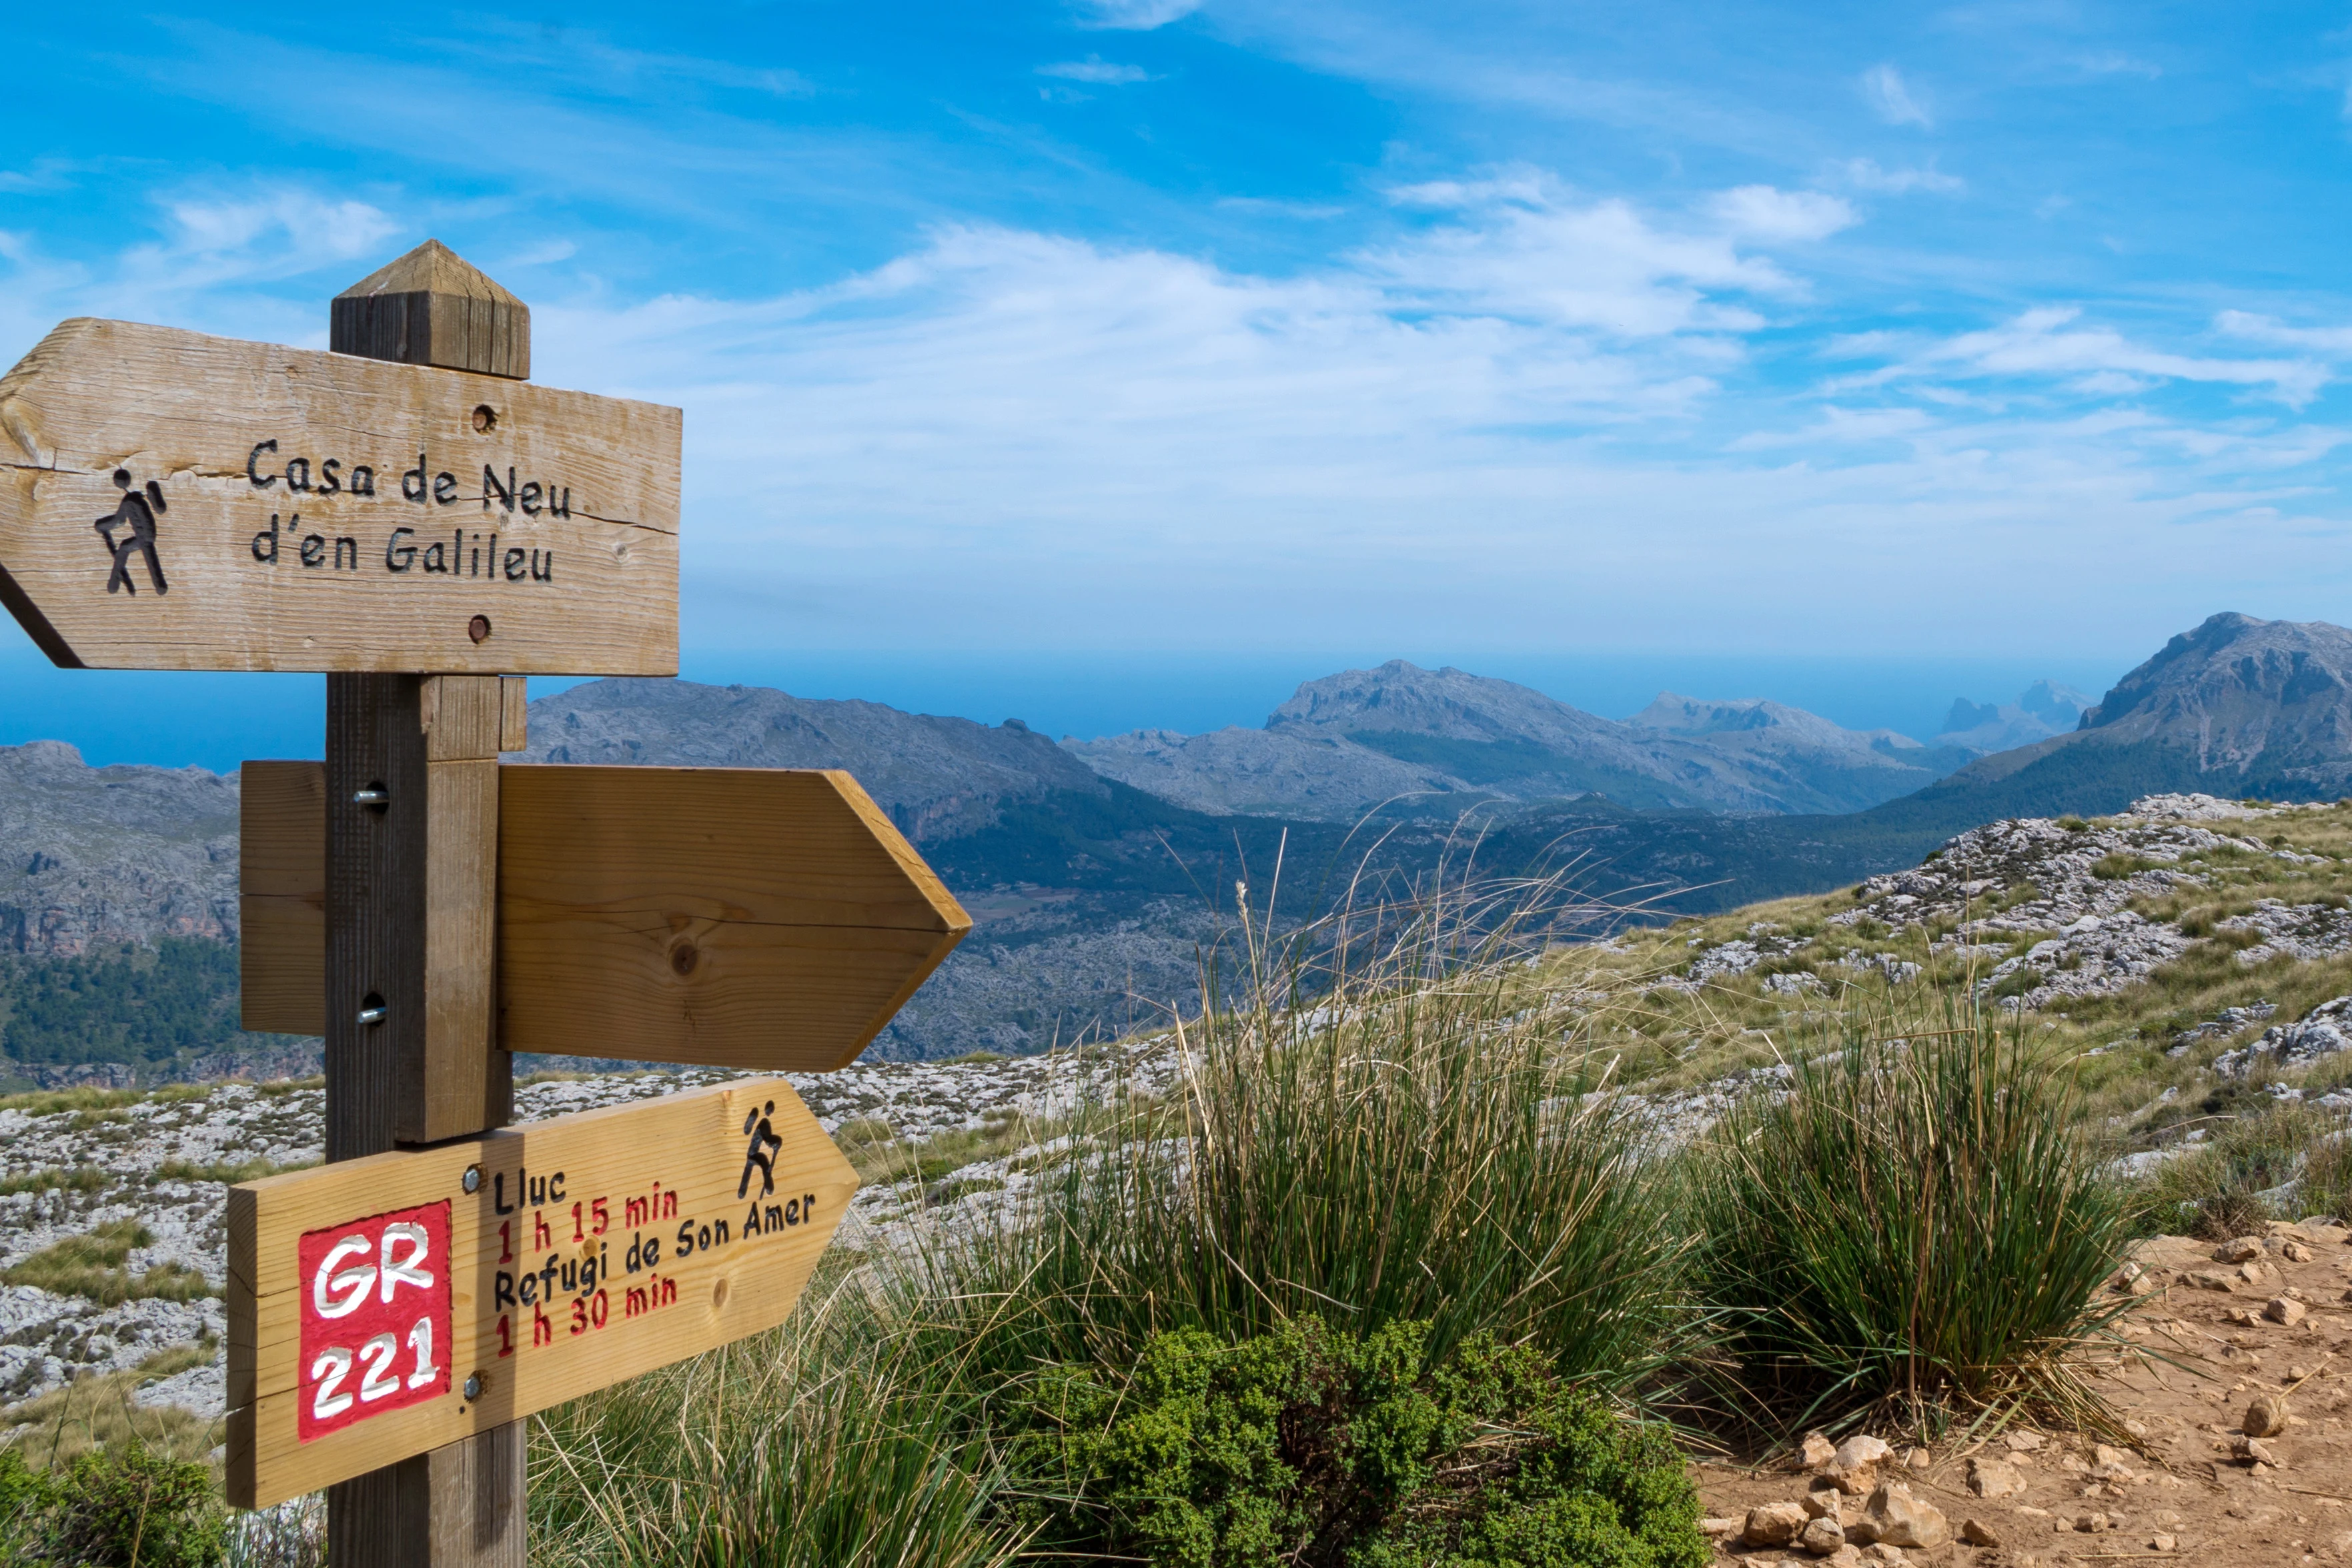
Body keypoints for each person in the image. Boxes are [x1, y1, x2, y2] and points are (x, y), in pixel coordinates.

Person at [94, 469, 167, 596]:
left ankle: (115, 581)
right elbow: (160, 509)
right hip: (146, 536)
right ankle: (116, 580)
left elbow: (118, 520)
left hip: (145, 537)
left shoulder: (129, 501)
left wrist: (102, 526)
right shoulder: (134, 500)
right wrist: (101, 526)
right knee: (136, 553)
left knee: (147, 557)